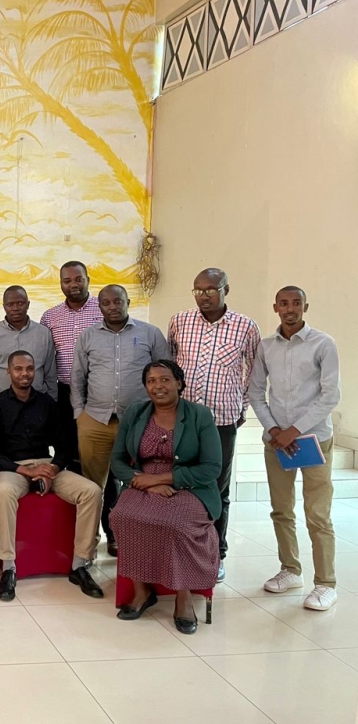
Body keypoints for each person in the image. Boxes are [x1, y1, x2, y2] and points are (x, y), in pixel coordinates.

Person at [110, 360, 222, 635]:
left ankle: (183, 597)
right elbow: (117, 460)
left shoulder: (199, 415)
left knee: (175, 523)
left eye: (165, 380)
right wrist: (145, 483)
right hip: (143, 483)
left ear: (179, 383)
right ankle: (141, 591)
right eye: (151, 381)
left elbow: (211, 468)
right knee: (122, 516)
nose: (158, 386)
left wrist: (161, 479)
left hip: (190, 487)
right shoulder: (136, 413)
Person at [249, 286, 341, 611]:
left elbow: (330, 395)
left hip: (313, 440)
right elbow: (256, 391)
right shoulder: (265, 346)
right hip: (277, 442)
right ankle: (290, 570)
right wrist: (274, 429)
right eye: (284, 303)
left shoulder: (323, 344)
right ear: (275, 307)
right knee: (281, 509)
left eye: (296, 303)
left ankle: (325, 584)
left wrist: (294, 430)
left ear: (305, 306)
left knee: (317, 514)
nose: (290, 308)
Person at [0, 351, 104, 602]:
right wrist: (27, 471)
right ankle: (9, 568)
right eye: (18, 369)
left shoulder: (48, 403)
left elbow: (65, 445)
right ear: (8, 372)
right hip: (13, 468)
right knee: (3, 492)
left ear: (35, 372)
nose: (24, 374)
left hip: (47, 465)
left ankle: (79, 564)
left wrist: (53, 469)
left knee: (91, 491)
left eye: (29, 369)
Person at [168, 268, 260, 582]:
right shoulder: (180, 321)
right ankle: (179, 548)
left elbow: (255, 371)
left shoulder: (245, 326)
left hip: (222, 420)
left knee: (217, 488)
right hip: (183, 420)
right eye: (198, 290)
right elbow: (171, 363)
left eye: (210, 289)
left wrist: (240, 404)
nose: (204, 295)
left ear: (225, 289)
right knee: (179, 482)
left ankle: (215, 553)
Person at [72, 284, 170, 556]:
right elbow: (78, 377)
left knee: (137, 483)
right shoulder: (88, 336)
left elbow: (166, 374)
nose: (113, 306)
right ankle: (88, 546)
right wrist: (79, 413)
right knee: (93, 487)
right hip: (95, 421)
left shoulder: (150, 334)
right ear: (99, 306)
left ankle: (132, 542)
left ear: (128, 302)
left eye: (118, 301)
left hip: (139, 423)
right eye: (106, 302)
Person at [40, 261, 102, 469]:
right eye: (67, 280)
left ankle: (108, 497)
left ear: (88, 281)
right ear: (60, 284)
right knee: (66, 444)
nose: (73, 284)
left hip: (97, 391)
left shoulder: (103, 309)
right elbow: (46, 357)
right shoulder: (50, 317)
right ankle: (72, 494)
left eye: (78, 279)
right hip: (64, 391)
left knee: (98, 446)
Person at [0, 285, 57, 418]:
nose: (16, 308)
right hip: (1, 405)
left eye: (20, 303)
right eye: (10, 304)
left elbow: (50, 373)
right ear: (4, 306)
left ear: (28, 304)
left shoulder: (44, 333)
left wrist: (52, 402)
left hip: (37, 404)